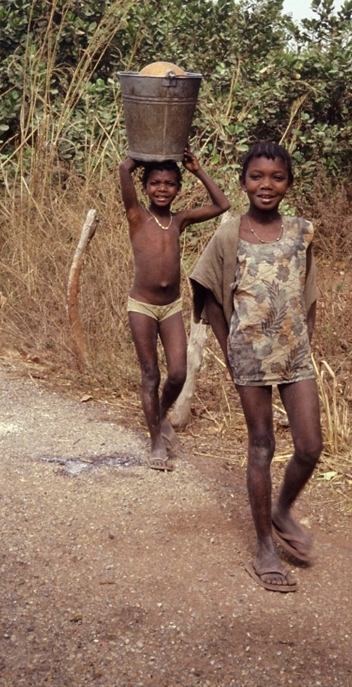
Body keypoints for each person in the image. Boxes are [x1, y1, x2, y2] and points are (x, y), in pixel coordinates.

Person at [190, 141, 322, 592]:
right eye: (257, 177)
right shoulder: (229, 233)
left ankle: (282, 508)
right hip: (248, 350)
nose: (267, 185)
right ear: (243, 180)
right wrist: (230, 353)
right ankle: (264, 548)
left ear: (289, 182)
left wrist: (306, 340)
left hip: (295, 351)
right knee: (262, 444)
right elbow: (210, 296)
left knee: (309, 446)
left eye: (277, 177)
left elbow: (308, 293)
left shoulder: (302, 231)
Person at [119, 148, 230, 471]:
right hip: (141, 306)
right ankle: (156, 441)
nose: (162, 189)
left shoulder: (179, 220)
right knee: (150, 374)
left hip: (170, 308)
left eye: (169, 183)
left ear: (178, 188)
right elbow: (124, 170)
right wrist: (143, 152)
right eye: (155, 183)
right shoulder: (137, 215)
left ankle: (159, 415)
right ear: (145, 187)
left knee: (178, 372)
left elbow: (222, 205)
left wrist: (198, 170)